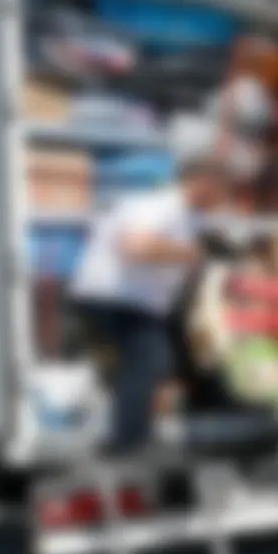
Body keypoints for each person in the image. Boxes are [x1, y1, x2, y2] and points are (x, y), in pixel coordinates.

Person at [69, 155, 236, 451]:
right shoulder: (157, 206)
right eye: (224, 189)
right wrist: (195, 253)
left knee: (178, 354)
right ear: (204, 183)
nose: (225, 198)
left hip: (142, 305)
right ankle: (127, 441)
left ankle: (207, 409)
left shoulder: (188, 215)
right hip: (113, 299)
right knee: (150, 358)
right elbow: (135, 246)